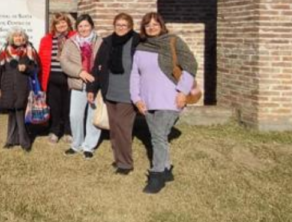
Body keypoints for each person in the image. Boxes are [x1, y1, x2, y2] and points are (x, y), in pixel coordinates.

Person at [131, 12, 197, 194]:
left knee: (158, 136)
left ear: (161, 25)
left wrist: (183, 92)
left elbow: (191, 66)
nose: (151, 27)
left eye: (155, 24)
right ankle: (167, 169)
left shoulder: (172, 41)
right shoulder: (141, 47)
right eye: (147, 25)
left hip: (170, 99)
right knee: (158, 136)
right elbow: (135, 75)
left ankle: (157, 175)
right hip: (148, 101)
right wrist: (136, 98)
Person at [87, 13, 140, 175]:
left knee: (123, 127)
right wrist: (92, 88)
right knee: (114, 128)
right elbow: (98, 66)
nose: (121, 28)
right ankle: (119, 158)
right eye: (118, 25)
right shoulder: (108, 42)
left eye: (124, 25)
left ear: (130, 27)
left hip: (129, 93)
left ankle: (125, 163)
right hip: (110, 92)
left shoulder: (138, 42)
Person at [60, 14, 103, 159]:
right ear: (77, 28)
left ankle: (89, 146)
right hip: (78, 83)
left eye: (86, 25)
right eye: (80, 26)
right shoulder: (71, 42)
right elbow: (64, 62)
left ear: (91, 26)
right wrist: (80, 72)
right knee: (75, 115)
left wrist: (95, 77)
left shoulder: (100, 41)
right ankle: (76, 144)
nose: (83, 28)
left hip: (95, 84)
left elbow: (104, 62)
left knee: (92, 115)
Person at [0, 27, 38, 152]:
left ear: (24, 38)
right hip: (7, 85)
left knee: (20, 111)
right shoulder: (4, 50)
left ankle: (24, 142)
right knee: (12, 111)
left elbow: (36, 69)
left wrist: (27, 68)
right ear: (11, 38)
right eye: (16, 36)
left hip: (23, 86)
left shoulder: (30, 50)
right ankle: (11, 140)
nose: (18, 38)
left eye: (20, 36)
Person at [38, 13, 75, 144]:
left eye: (63, 22)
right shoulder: (46, 40)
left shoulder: (75, 37)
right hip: (52, 78)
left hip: (69, 78)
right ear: (53, 25)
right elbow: (41, 61)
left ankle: (68, 131)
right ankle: (54, 131)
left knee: (68, 106)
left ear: (68, 23)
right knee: (54, 106)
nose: (61, 25)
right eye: (58, 23)